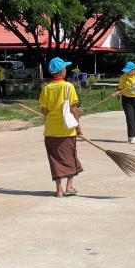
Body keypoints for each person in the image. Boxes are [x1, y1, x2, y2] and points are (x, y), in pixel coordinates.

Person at [39, 57, 83, 198]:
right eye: (65, 68)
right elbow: (73, 109)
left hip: (51, 130)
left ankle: (59, 190)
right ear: (62, 71)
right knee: (70, 157)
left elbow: (44, 111)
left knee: (55, 160)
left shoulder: (47, 89)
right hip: (67, 129)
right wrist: (78, 126)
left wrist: (49, 118)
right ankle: (69, 185)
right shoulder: (68, 87)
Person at [111, 62, 135, 144]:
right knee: (130, 118)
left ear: (133, 69)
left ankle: (132, 133)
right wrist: (117, 93)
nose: (127, 72)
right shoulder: (123, 78)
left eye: (129, 71)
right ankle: (132, 136)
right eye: (126, 70)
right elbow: (120, 89)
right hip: (127, 100)